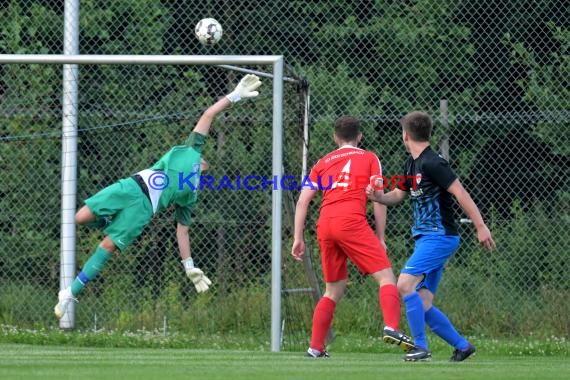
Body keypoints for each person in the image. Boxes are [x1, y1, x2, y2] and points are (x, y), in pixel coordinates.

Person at [54, 74, 262, 319]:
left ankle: (70, 293)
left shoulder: (190, 194)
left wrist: (189, 266)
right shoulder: (191, 149)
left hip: (143, 209)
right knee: (81, 217)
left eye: (206, 167)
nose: (204, 164)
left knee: (107, 245)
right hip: (131, 186)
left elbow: (181, 231)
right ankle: (109, 222)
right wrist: (235, 96)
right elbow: (209, 114)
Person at [366, 111, 496, 362]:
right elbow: (398, 195)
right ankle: (462, 346)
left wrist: (480, 226)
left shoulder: (433, 162)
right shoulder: (411, 164)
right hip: (428, 239)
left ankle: (421, 347)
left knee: (404, 284)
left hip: (439, 236)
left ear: (405, 134)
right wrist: (378, 197)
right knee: (423, 303)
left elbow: (460, 192)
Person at [291, 116, 414, 358]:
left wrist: (298, 237)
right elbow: (377, 197)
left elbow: (303, 200)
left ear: (335, 137)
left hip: (325, 224)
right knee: (386, 277)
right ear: (360, 136)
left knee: (332, 290)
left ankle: (315, 347)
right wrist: (380, 236)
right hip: (351, 222)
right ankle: (391, 326)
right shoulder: (369, 157)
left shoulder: (323, 161)